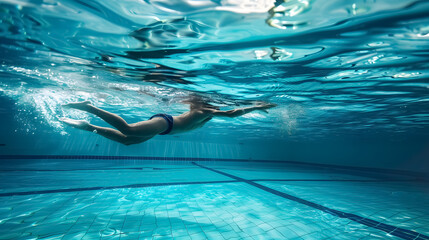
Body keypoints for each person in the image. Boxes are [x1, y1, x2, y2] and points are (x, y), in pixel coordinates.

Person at [60, 100, 276, 145]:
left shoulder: (208, 115)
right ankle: (89, 107)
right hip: (164, 123)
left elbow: (229, 112)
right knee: (128, 129)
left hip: (166, 130)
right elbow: (231, 114)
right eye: (216, 107)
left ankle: (90, 127)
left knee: (128, 141)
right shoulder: (203, 110)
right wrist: (255, 107)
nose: (217, 109)